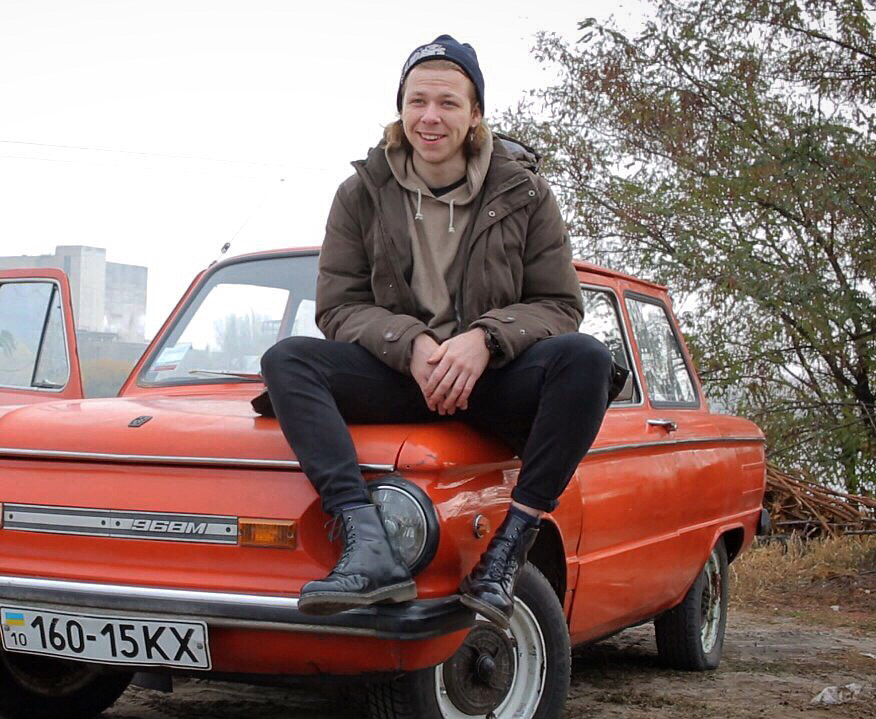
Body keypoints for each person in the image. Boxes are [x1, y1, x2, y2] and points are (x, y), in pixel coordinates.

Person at [257, 35, 621, 627]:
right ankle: (368, 546)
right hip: (402, 373)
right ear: (400, 109)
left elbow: (559, 304)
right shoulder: (360, 194)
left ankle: (508, 551)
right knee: (288, 360)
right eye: (418, 101)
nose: (431, 117)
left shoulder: (525, 192)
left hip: (492, 379)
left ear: (475, 114)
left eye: (449, 103)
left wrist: (485, 340)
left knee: (586, 358)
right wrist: (413, 345)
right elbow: (340, 308)